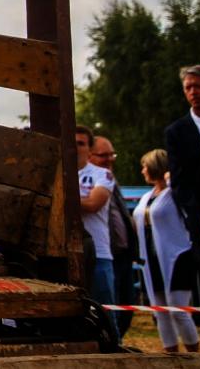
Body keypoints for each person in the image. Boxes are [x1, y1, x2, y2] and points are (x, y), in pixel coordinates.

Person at [134, 149, 200, 352]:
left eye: (145, 166)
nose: (143, 170)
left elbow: (190, 197)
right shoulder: (146, 196)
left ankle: (194, 354)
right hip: (152, 258)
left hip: (177, 256)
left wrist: (173, 178)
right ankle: (170, 353)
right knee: (160, 309)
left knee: (178, 309)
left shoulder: (174, 193)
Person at [166, 64, 200, 291]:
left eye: (198, 86)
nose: (193, 92)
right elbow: (179, 183)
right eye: (188, 88)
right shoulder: (176, 132)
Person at [90, 134, 140, 335]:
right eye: (104, 155)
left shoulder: (110, 178)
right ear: (90, 156)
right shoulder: (89, 180)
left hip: (123, 254)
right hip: (105, 253)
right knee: (111, 307)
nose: (110, 159)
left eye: (112, 155)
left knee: (127, 304)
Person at [77, 124, 118, 338]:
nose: (75, 147)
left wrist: (62, 198)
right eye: (71, 142)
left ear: (90, 149)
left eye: (81, 143)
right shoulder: (55, 173)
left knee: (106, 317)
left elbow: (94, 203)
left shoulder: (102, 174)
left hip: (100, 254)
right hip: (68, 255)